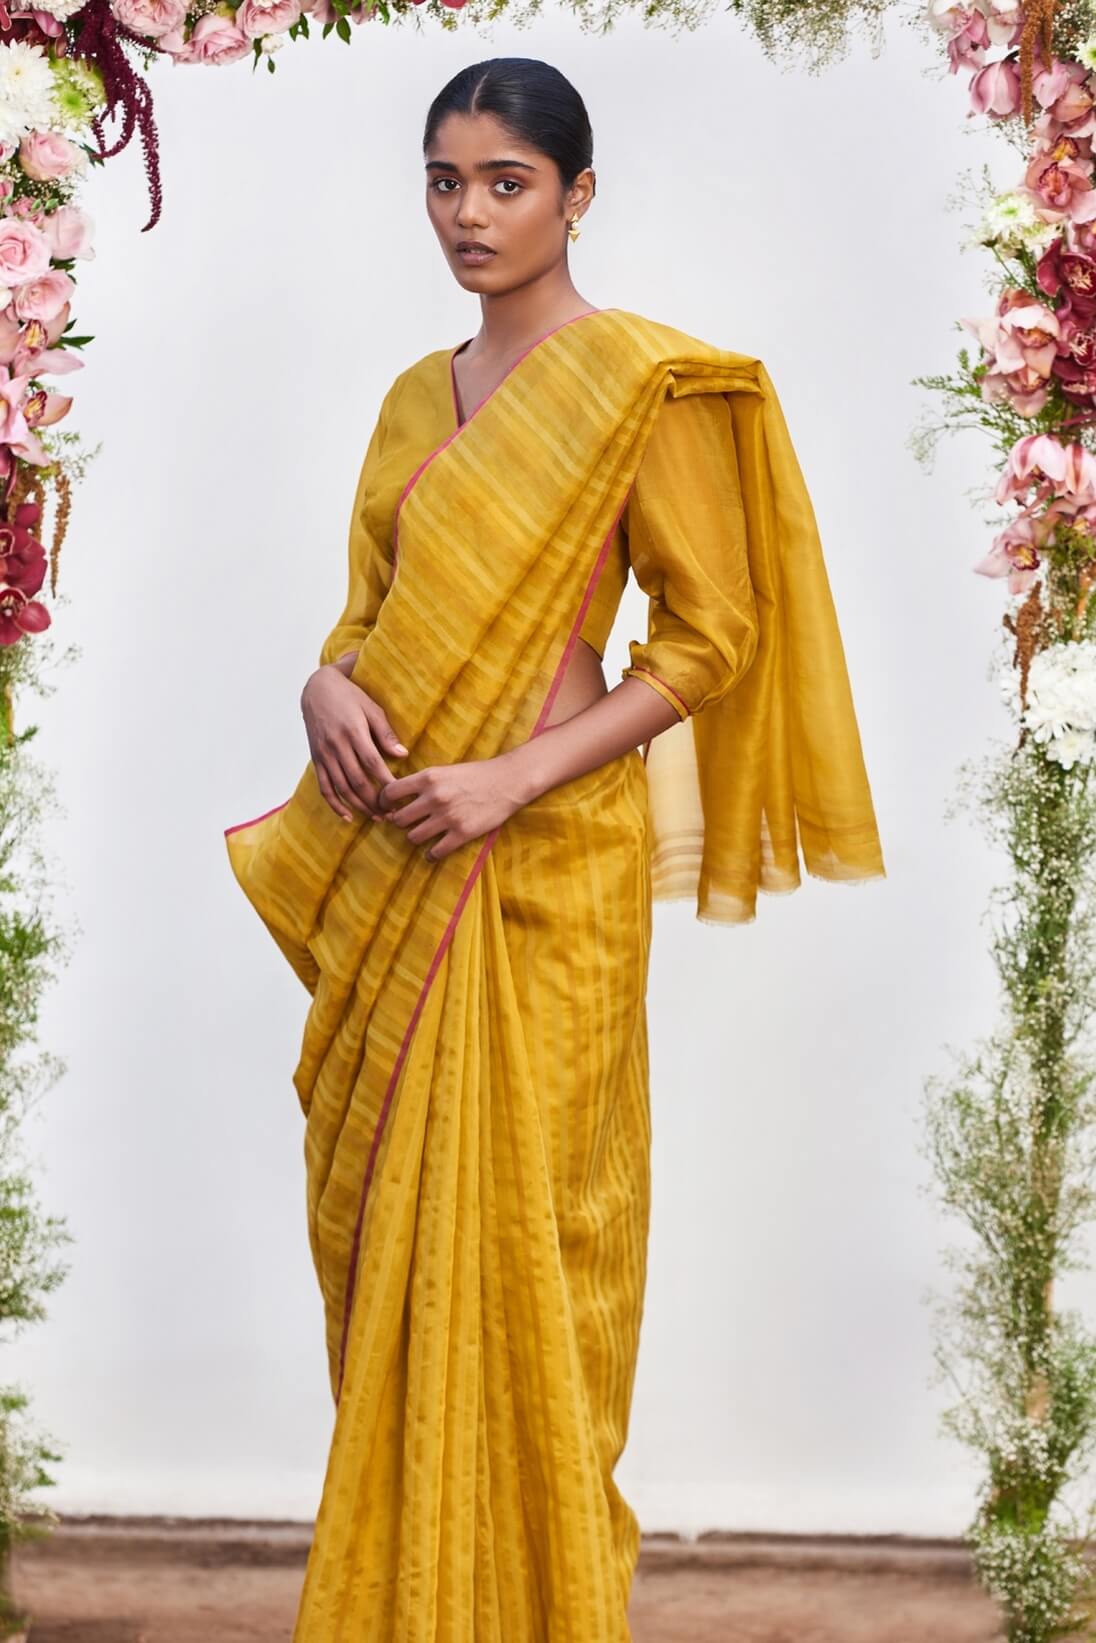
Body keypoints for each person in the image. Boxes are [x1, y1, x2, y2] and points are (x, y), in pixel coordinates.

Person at [223, 55, 886, 1642]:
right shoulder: (413, 397)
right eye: (445, 182)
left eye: (506, 183)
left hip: (546, 866)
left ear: (579, 196)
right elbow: (368, 616)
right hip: (401, 852)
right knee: (386, 1236)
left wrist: (511, 780)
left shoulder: (644, 385)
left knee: (551, 1238)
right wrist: (323, 684)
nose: (470, 213)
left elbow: (711, 641)